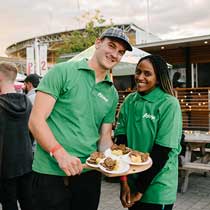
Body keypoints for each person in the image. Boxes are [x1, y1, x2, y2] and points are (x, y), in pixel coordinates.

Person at [28, 27, 132, 210]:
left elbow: (104, 139)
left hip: (88, 174)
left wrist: (118, 165)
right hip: (50, 173)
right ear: (98, 43)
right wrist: (60, 154)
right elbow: (35, 121)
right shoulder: (62, 72)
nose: (115, 54)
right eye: (112, 46)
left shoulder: (112, 93)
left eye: (121, 52)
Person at [115, 55, 182, 210]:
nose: (140, 77)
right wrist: (124, 182)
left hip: (157, 187)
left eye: (147, 73)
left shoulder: (169, 104)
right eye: (138, 72)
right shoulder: (129, 101)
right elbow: (121, 145)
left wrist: (139, 190)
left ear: (158, 79)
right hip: (131, 182)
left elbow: (162, 152)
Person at [0, 62, 33, 210]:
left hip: (4, 167)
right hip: (26, 162)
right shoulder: (27, 101)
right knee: (28, 202)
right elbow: (33, 132)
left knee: (8, 205)